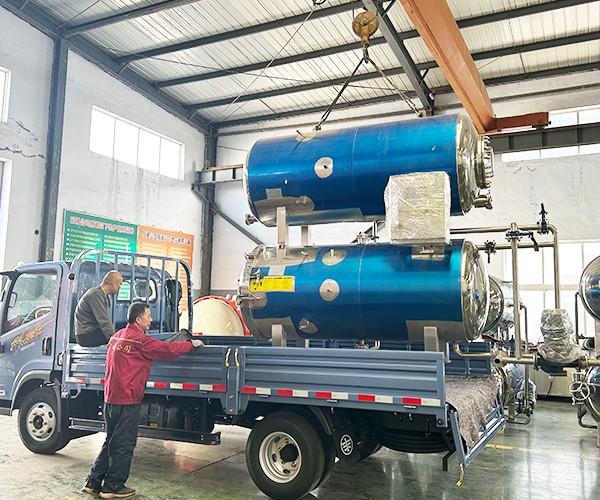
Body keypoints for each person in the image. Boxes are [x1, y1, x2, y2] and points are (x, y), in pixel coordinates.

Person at [81, 302, 205, 499]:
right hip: (127, 399)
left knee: (111, 440)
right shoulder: (140, 341)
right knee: (124, 444)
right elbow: (167, 350)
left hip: (110, 398)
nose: (151, 319)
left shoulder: (116, 337)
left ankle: (93, 482)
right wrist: (190, 345)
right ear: (138, 319)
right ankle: (113, 487)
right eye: (148, 316)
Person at [75, 271, 123, 347]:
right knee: (124, 337)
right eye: (120, 284)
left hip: (92, 331)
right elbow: (104, 321)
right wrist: (114, 342)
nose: (120, 287)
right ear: (113, 283)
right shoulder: (95, 295)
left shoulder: (103, 295)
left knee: (123, 329)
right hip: (86, 336)